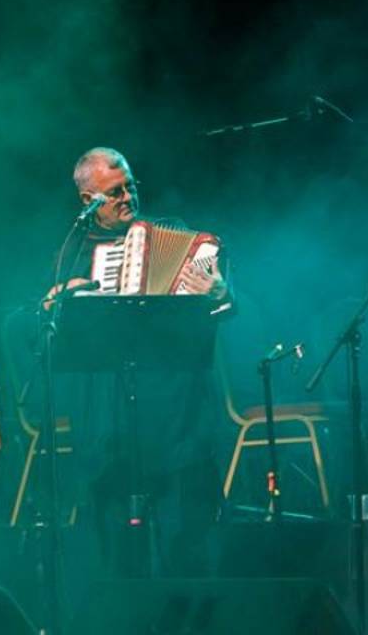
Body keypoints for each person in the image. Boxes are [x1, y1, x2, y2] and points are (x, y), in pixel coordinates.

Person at [42, 147, 230, 578]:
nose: (127, 196)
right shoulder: (73, 255)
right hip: (109, 422)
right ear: (87, 200)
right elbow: (53, 333)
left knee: (185, 541)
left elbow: (217, 314)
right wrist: (61, 300)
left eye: (130, 186)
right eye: (114, 192)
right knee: (117, 554)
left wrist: (221, 295)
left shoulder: (180, 235)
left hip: (173, 411)